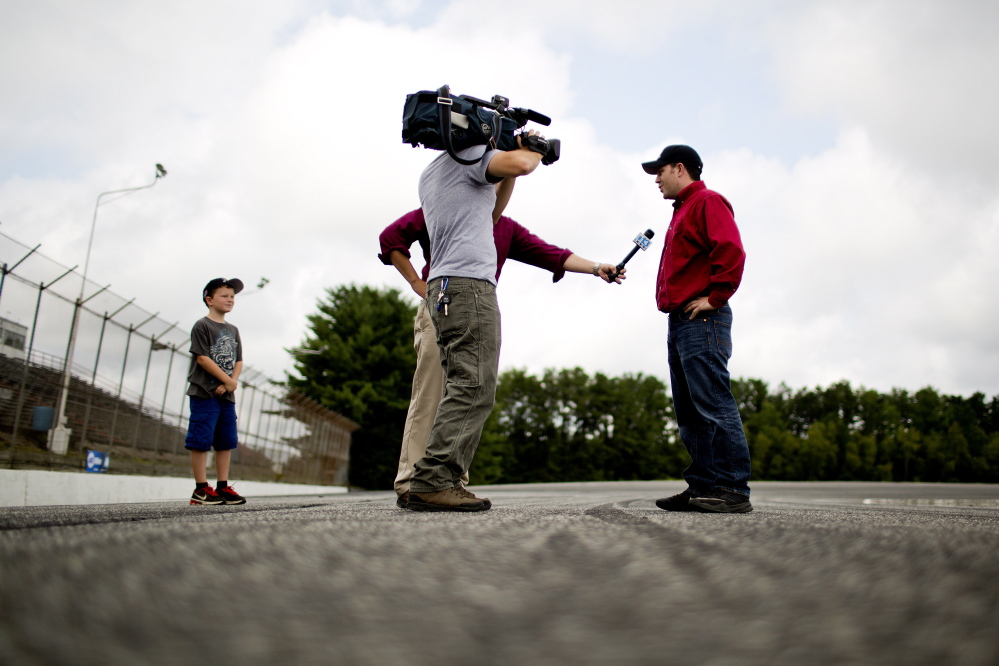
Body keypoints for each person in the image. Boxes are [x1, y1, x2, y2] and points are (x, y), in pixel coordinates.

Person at [379, 207, 624, 508]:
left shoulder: (505, 228)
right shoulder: (447, 210)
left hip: (476, 311)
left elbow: (552, 254)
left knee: (470, 392)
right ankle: (410, 482)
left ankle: (450, 481)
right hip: (440, 306)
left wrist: (597, 266)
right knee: (431, 394)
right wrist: (417, 283)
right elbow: (391, 238)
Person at [641, 145, 753, 514]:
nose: (656, 179)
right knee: (689, 412)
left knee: (713, 404)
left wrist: (716, 298)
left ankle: (732, 489)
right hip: (681, 321)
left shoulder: (707, 201)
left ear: (679, 168)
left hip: (703, 318)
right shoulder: (682, 211)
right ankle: (703, 486)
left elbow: (731, 250)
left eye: (659, 171)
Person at [185, 277, 247, 506]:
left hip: (227, 396)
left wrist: (231, 382)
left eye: (232, 296)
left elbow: (239, 361)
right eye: (224, 295)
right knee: (201, 439)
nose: (230, 299)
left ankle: (223, 487)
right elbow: (202, 358)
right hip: (204, 393)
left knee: (226, 441)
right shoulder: (202, 325)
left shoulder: (233, 329)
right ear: (209, 299)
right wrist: (227, 381)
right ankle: (201, 489)